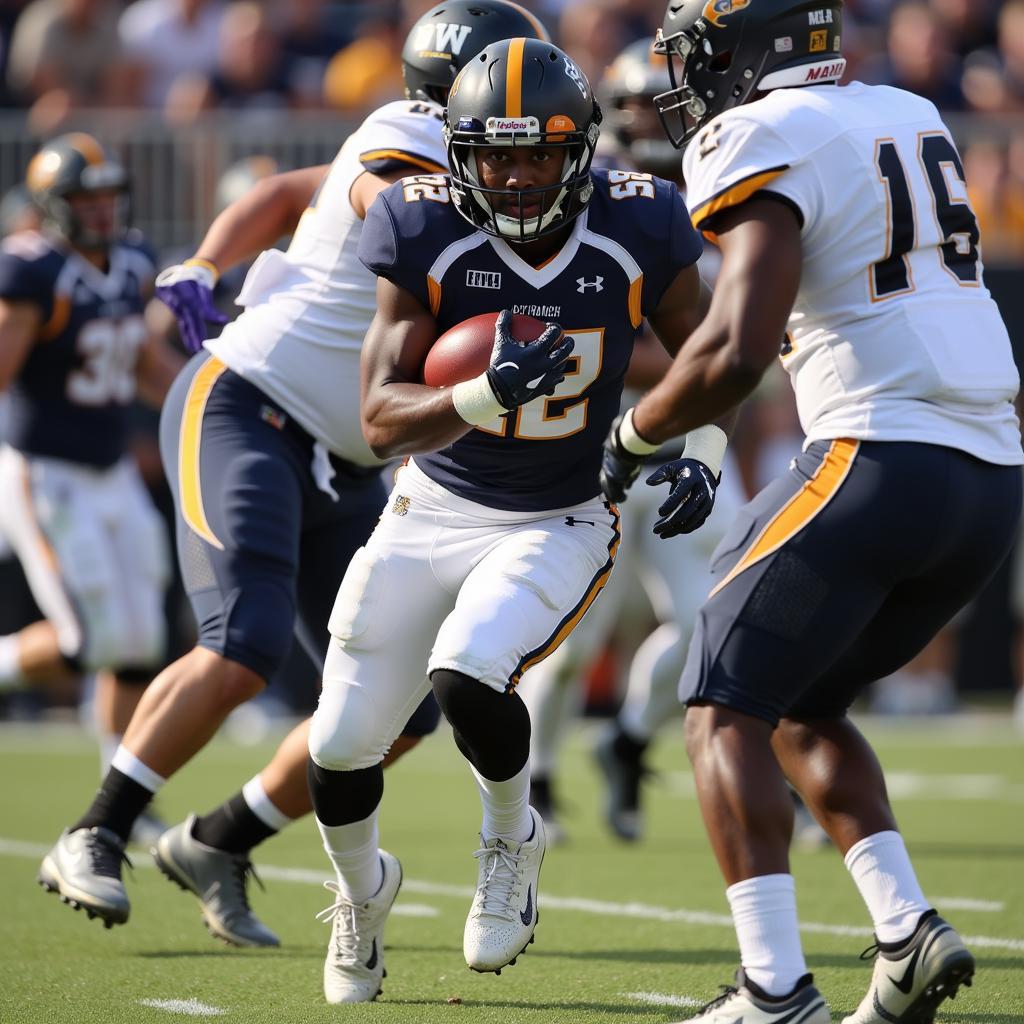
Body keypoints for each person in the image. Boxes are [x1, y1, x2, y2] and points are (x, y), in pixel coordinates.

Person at [36, 0, 551, 949]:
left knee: (401, 704)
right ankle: (95, 831)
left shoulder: (465, 168)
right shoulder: (408, 146)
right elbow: (396, 207)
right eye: (518, 115)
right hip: (248, 403)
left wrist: (202, 258)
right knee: (248, 640)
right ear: (466, 100)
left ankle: (220, 840)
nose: (534, 143)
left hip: (346, 461)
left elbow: (281, 195)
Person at [599, 1, 1023, 1021]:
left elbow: (735, 347)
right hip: (990, 475)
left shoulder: (754, 132)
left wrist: (635, 434)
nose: (687, 80)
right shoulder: (902, 109)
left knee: (715, 702)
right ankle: (906, 928)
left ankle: (774, 990)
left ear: (752, 49)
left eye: (699, 55)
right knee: (797, 700)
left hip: (878, 454)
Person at [306, 35, 721, 1004]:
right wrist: (482, 396)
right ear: (460, 153)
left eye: (540, 151)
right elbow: (377, 415)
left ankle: (510, 833)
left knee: (468, 666)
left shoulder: (641, 221)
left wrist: (692, 448)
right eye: (497, 153)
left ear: (580, 150)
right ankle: (362, 895)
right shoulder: (422, 227)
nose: (518, 173)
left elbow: (708, 359)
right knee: (335, 745)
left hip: (563, 513)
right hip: (433, 504)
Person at [522, 38, 745, 845]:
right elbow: (589, 338)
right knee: (574, 637)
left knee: (716, 620)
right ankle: (537, 784)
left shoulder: (728, 175)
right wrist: (702, 359)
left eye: (667, 105)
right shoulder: (591, 192)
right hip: (595, 444)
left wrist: (712, 376)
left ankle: (625, 740)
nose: (653, 122)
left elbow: (733, 349)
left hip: (689, 440)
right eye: (639, 105)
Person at [0, 134, 182, 846]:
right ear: (54, 207)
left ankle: (120, 789)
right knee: (87, 638)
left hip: (111, 471)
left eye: (109, 197)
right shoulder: (30, 271)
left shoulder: (133, 263)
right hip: (45, 471)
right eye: (86, 200)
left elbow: (138, 359)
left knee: (140, 640)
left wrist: (206, 400)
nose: (102, 212)